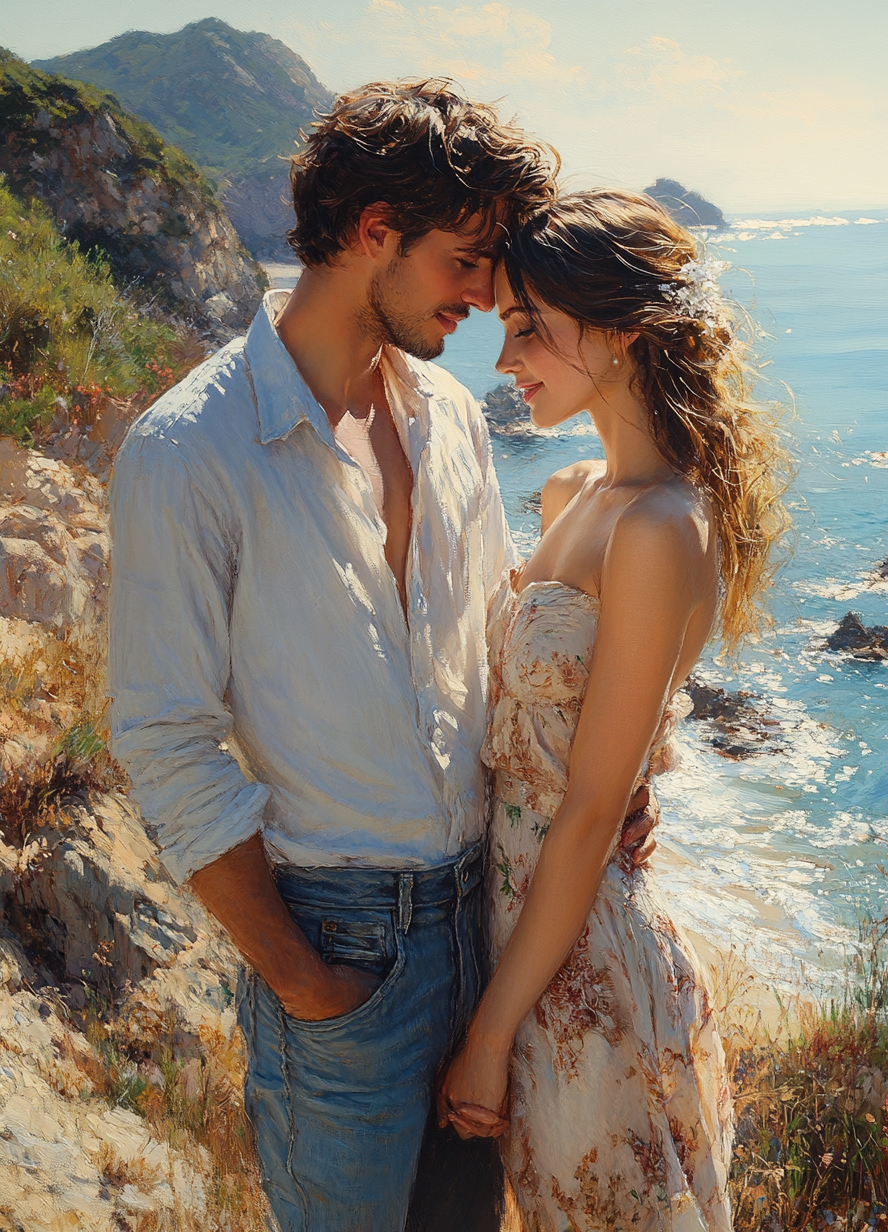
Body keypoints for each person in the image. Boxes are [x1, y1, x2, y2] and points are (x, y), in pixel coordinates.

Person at [107, 85, 657, 1232]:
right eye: (466, 261)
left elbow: (497, 646)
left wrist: (599, 784)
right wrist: (306, 981)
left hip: (487, 923)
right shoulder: (189, 447)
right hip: (337, 945)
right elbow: (161, 736)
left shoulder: (450, 417)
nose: (487, 293)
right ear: (371, 232)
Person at [438, 190, 791, 1231]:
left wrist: (490, 1032)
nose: (505, 359)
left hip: (579, 971)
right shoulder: (573, 491)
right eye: (505, 325)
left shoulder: (660, 528)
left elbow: (591, 810)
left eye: (528, 327)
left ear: (625, 331)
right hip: (515, 946)